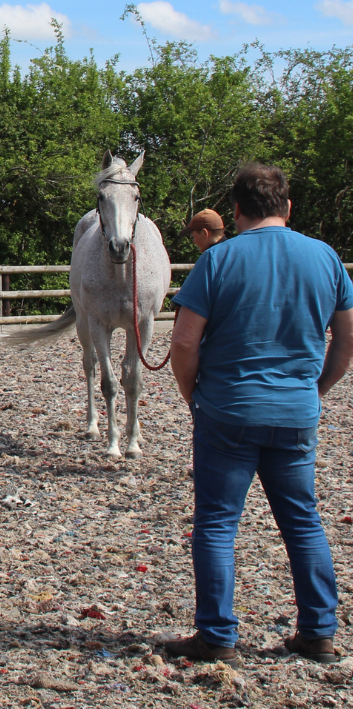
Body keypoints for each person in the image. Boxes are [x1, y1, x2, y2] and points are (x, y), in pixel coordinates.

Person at [166, 163, 353, 665]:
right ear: (287, 207)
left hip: (228, 407)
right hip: (296, 410)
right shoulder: (326, 258)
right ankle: (318, 631)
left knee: (217, 523)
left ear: (237, 210)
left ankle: (217, 636)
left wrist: (193, 397)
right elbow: (346, 342)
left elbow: (183, 342)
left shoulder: (218, 260)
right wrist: (314, 392)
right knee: (303, 520)